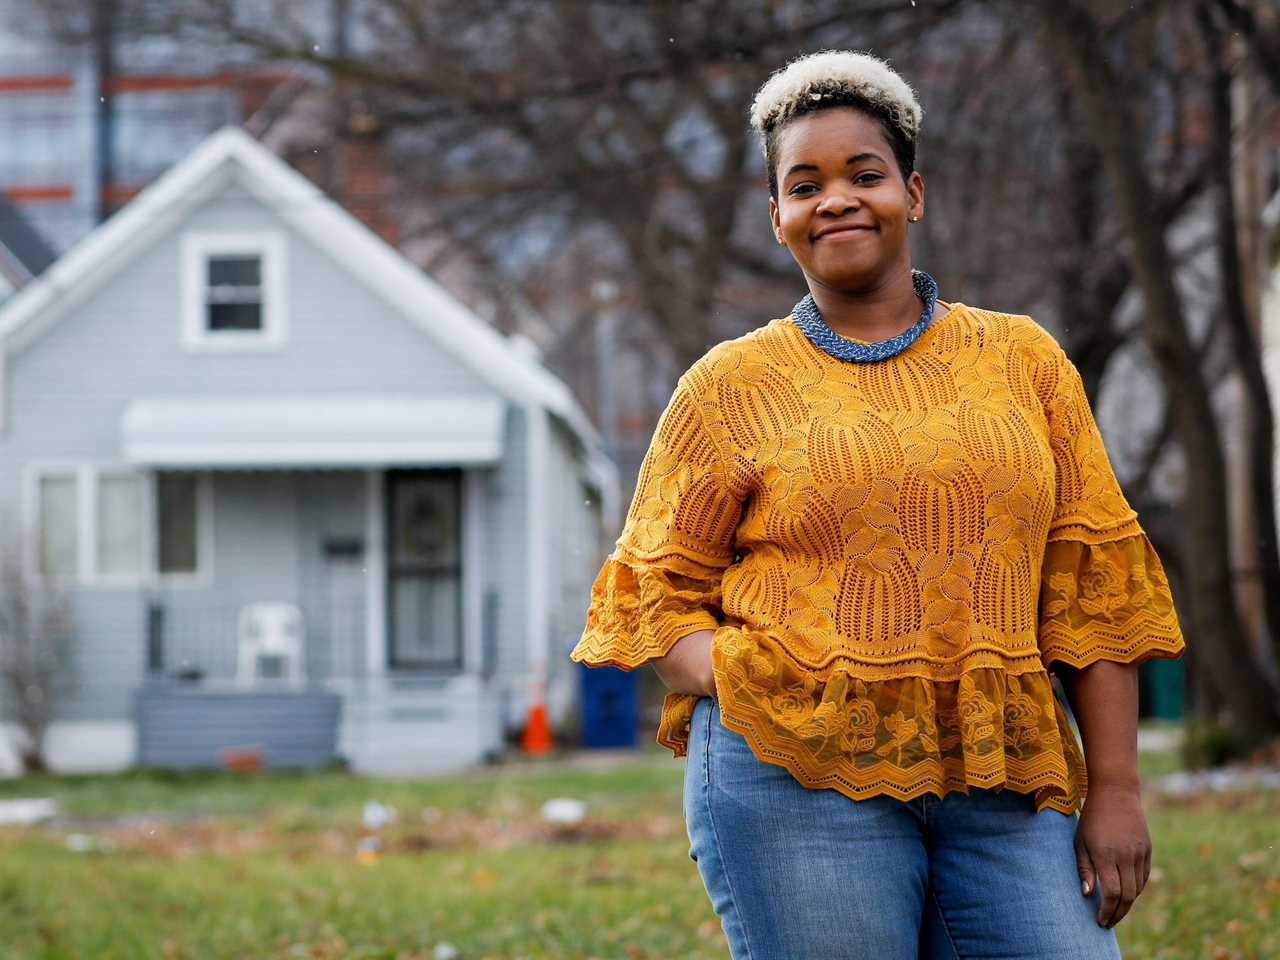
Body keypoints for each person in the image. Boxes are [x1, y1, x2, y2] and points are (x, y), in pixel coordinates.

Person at [570, 49, 1185, 960]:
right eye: (804, 184)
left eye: (866, 174)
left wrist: (1119, 790)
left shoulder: (1024, 362)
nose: (838, 199)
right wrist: (758, 677)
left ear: (915, 193)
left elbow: (1092, 588)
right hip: (793, 777)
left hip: (1004, 782)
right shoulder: (729, 387)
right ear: (779, 217)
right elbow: (652, 601)